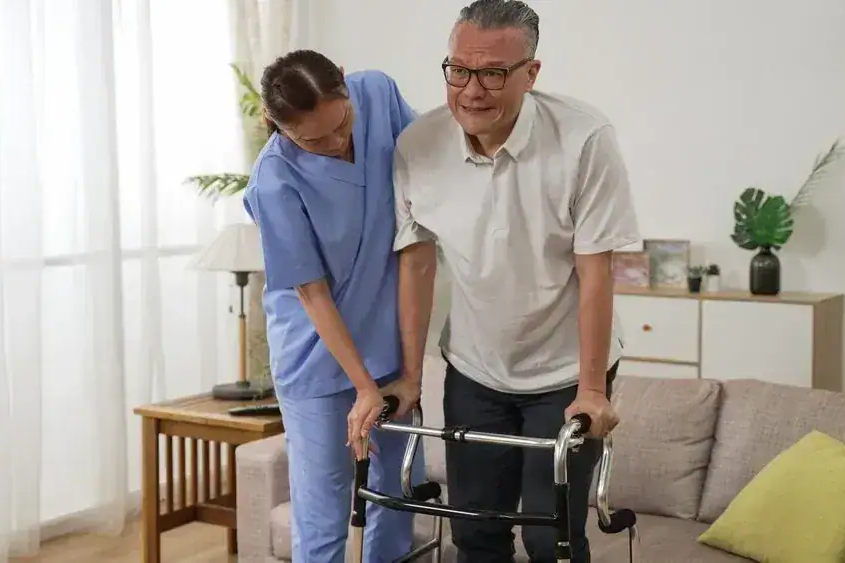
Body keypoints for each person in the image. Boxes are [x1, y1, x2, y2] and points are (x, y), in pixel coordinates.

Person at [392, 1, 640, 562]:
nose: (472, 90)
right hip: (476, 369)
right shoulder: (418, 146)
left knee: (547, 535)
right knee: (475, 533)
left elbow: (595, 271)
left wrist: (593, 389)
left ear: (531, 73)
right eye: (459, 69)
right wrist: (409, 377)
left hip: (566, 372)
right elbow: (416, 262)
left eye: (493, 73)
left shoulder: (584, 139)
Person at [242, 49, 423, 563]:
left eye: (341, 123)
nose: (338, 142)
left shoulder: (378, 92)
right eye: (313, 141)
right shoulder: (275, 181)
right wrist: (363, 387)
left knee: (398, 494)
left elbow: (427, 169)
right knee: (323, 517)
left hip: (386, 344)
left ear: (345, 85)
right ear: (280, 130)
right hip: (316, 361)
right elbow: (311, 294)